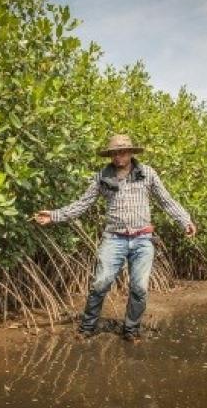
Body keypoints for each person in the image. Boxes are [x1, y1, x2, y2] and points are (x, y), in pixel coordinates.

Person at [35, 134, 197, 343]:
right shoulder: (102, 176)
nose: (119, 156)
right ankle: (87, 327)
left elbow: (166, 201)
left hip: (143, 239)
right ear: (110, 155)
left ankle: (131, 330)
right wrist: (54, 215)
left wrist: (185, 220)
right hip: (114, 239)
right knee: (100, 283)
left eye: (123, 151)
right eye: (114, 153)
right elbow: (83, 204)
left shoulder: (147, 174)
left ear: (130, 152)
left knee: (139, 288)